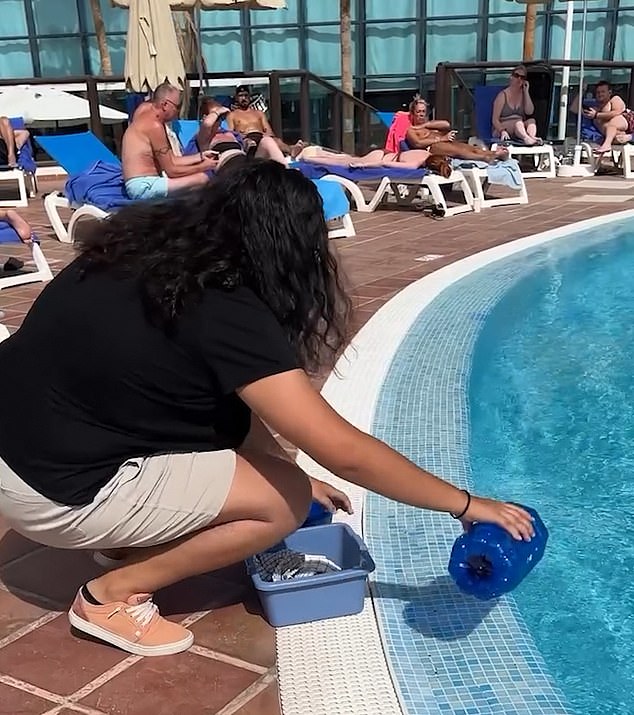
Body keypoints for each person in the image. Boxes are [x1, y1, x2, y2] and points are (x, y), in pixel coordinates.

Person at [0, 161, 534, 658]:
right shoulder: (224, 304)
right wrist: (464, 505)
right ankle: (110, 595)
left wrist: (287, 467)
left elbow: (228, 402)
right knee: (282, 504)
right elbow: (344, 451)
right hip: (53, 493)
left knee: (278, 477)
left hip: (21, 445)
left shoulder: (140, 251)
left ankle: (121, 540)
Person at [121, 82, 217, 201]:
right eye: (177, 106)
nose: (177, 111)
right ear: (165, 105)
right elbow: (171, 171)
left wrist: (201, 157)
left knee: (197, 179)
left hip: (141, 182)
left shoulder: (145, 114)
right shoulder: (154, 126)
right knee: (202, 179)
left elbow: (172, 159)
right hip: (143, 186)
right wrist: (204, 166)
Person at [196, 96, 289, 167]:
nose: (219, 121)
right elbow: (207, 125)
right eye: (217, 117)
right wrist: (218, 112)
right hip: (227, 166)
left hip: (246, 162)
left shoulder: (229, 133)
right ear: (204, 117)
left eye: (221, 117)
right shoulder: (204, 137)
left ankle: (288, 175)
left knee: (268, 141)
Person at [227, 85, 304, 159]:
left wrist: (268, 137)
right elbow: (230, 134)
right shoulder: (232, 115)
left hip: (260, 136)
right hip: (246, 138)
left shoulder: (259, 113)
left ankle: (292, 151)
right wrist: (240, 137)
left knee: (276, 140)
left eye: (246, 95)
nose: (243, 98)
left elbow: (269, 131)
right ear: (236, 98)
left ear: (249, 97)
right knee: (250, 143)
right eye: (240, 96)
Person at [570, 80, 634, 154]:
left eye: (603, 92)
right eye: (598, 92)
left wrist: (597, 115)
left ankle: (607, 145)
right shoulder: (594, 105)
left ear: (609, 93)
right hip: (615, 133)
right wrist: (582, 90)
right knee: (615, 135)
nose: (600, 94)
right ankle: (615, 140)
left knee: (611, 122)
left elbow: (617, 112)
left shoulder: (614, 99)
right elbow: (574, 108)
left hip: (626, 122)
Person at [491, 65, 542, 146]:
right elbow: (494, 120)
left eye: (522, 77)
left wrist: (526, 92)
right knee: (518, 123)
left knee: (531, 121)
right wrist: (502, 131)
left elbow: (529, 112)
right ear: (511, 77)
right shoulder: (502, 95)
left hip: (519, 127)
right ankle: (526, 138)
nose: (519, 79)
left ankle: (532, 137)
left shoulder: (523, 94)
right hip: (503, 128)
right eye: (516, 76)